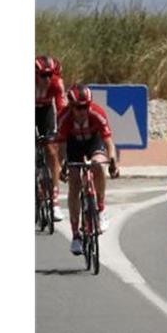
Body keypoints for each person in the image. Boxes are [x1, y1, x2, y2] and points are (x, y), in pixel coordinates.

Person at [56, 84, 120, 254]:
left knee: (98, 164)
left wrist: (113, 161)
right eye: (79, 107)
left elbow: (108, 142)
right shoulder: (64, 117)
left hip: (93, 142)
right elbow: (61, 148)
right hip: (73, 146)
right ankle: (76, 235)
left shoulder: (97, 113)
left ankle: (101, 208)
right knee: (74, 183)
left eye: (86, 106)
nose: (83, 110)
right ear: (71, 106)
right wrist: (63, 166)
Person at [36, 55, 67, 221]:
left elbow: (61, 110)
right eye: (43, 76)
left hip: (45, 112)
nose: (47, 79)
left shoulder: (56, 83)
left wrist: (59, 133)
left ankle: (54, 203)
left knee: (51, 151)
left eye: (50, 75)